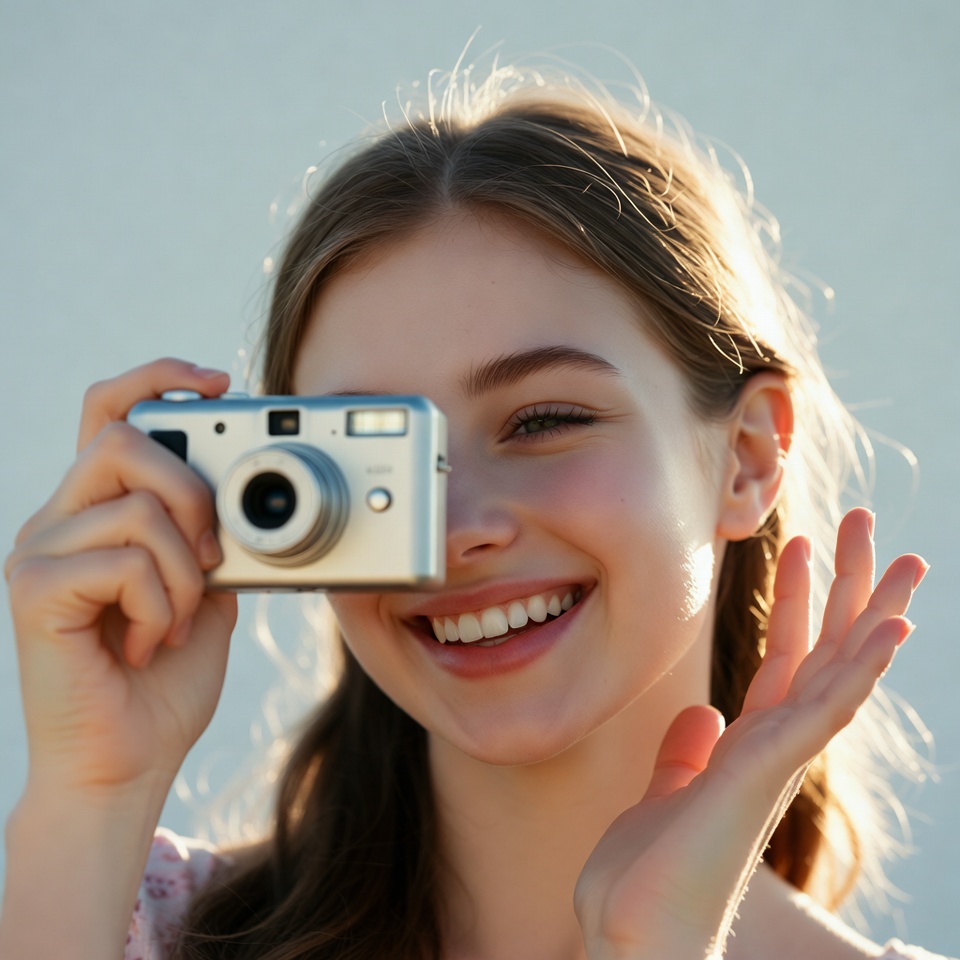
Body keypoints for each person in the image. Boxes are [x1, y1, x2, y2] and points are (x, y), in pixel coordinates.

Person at [1, 62, 953, 960]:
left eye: (543, 420)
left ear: (747, 457)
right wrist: (93, 790)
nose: (456, 531)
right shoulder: (125, 929)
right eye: (373, 460)